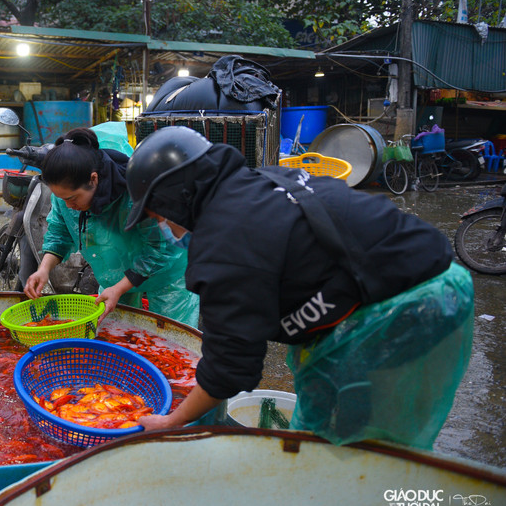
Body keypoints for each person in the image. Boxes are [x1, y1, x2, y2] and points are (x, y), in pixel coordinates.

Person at [124, 126, 474, 449]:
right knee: (341, 437)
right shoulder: (256, 184)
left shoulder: (225, 241)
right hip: (435, 279)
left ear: (177, 198)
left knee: (357, 452)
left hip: (407, 309)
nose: (163, 227)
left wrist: (174, 419)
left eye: (159, 216)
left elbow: (230, 367)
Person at [24, 127, 199, 328]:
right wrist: (43, 269)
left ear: (93, 179)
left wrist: (119, 287)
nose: (68, 205)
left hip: (166, 273)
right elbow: (59, 232)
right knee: (114, 334)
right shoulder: (66, 196)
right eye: (62, 199)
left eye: (72, 198)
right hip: (115, 271)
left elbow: (161, 249)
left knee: (172, 339)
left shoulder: (137, 194)